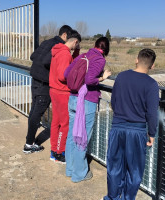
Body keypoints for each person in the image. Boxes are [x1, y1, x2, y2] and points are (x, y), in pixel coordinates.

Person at [103, 48, 159, 200]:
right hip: (137, 130)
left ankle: (113, 197)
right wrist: (152, 133)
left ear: (136, 59)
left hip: (118, 127)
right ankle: (127, 198)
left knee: (115, 167)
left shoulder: (121, 76)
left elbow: (114, 101)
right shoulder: (152, 84)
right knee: (134, 170)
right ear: (152, 66)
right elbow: (152, 113)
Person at [23, 25, 79, 154]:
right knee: (37, 113)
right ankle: (28, 145)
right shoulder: (59, 46)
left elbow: (33, 56)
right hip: (45, 84)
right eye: (68, 37)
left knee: (33, 112)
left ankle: (29, 141)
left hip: (35, 80)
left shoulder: (47, 42)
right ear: (65, 35)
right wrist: (55, 65)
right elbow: (45, 61)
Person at [64, 37, 111, 182]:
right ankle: (80, 174)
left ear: (94, 45)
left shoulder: (82, 56)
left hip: (73, 98)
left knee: (72, 135)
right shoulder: (99, 59)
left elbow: (66, 74)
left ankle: (70, 169)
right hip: (85, 102)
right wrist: (103, 78)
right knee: (82, 137)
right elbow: (90, 80)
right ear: (106, 50)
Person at [49, 30, 81, 164]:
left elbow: (69, 63)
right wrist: (74, 77)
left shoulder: (59, 51)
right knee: (65, 124)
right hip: (62, 92)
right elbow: (63, 75)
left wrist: (76, 53)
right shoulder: (64, 54)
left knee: (56, 121)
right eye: (77, 45)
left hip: (54, 90)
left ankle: (54, 151)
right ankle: (60, 152)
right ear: (75, 42)